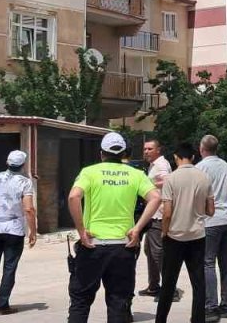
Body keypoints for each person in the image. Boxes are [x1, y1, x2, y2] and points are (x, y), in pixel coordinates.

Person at [68, 133, 163, 323]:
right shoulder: (136, 174)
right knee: (119, 302)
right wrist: (137, 229)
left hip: (92, 245)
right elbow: (155, 198)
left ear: (101, 153)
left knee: (80, 301)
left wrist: (81, 230)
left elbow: (73, 197)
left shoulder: (89, 172)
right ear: (123, 154)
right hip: (122, 247)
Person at [155, 143, 215, 323]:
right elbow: (211, 210)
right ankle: (198, 319)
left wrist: (164, 232)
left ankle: (161, 319)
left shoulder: (171, 179)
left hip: (174, 236)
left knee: (168, 283)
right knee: (198, 283)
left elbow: (166, 213)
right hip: (197, 236)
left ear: (176, 157)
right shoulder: (204, 178)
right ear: (194, 157)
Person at [0, 150, 37, 315]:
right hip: (14, 231)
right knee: (9, 268)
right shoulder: (25, 182)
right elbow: (29, 209)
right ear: (23, 165)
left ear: (7, 162)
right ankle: (2, 305)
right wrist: (33, 231)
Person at [196, 135, 227, 320]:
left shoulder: (201, 168)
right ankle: (226, 305)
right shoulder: (226, 166)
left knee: (208, 262)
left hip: (211, 220)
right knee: (225, 262)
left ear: (202, 149)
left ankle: (211, 305)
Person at [139, 139, 181, 301]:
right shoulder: (154, 165)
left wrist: (147, 183)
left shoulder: (161, 165)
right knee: (150, 251)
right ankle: (154, 286)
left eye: (150, 149)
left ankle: (171, 290)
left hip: (158, 215)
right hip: (152, 214)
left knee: (158, 253)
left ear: (158, 150)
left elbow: (168, 180)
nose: (146, 151)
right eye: (145, 149)